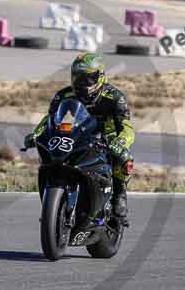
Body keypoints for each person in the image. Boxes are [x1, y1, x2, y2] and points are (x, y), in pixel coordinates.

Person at [24, 52, 135, 225]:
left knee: (124, 157)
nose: (82, 84)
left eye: (88, 78)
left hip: (107, 138)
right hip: (80, 135)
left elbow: (127, 128)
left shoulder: (115, 97)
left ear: (100, 77)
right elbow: (50, 119)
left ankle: (119, 195)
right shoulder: (64, 95)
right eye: (77, 78)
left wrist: (120, 142)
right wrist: (37, 134)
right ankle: (56, 204)